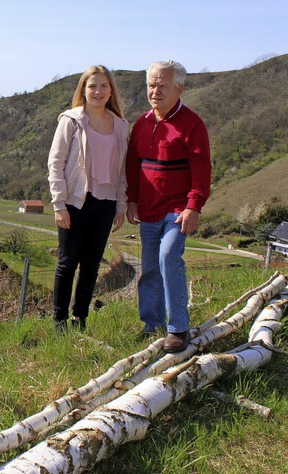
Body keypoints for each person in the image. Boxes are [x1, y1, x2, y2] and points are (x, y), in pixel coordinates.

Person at [125, 60, 212, 353]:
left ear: (180, 88)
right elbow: (133, 165)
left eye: (162, 85)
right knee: (149, 268)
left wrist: (194, 206)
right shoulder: (142, 123)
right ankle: (152, 325)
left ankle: (178, 329)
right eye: (151, 84)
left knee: (167, 257)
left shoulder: (192, 124)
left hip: (177, 209)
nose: (155, 90)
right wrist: (132, 200)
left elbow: (201, 169)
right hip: (148, 209)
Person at [48, 65, 130, 333]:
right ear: (83, 89)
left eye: (103, 86)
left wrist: (120, 204)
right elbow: (55, 163)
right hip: (75, 201)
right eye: (92, 86)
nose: (98, 91)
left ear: (111, 91)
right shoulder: (71, 120)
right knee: (67, 262)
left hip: (105, 203)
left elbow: (122, 170)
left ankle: (80, 319)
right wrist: (59, 204)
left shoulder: (120, 126)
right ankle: (59, 322)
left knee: (92, 264)